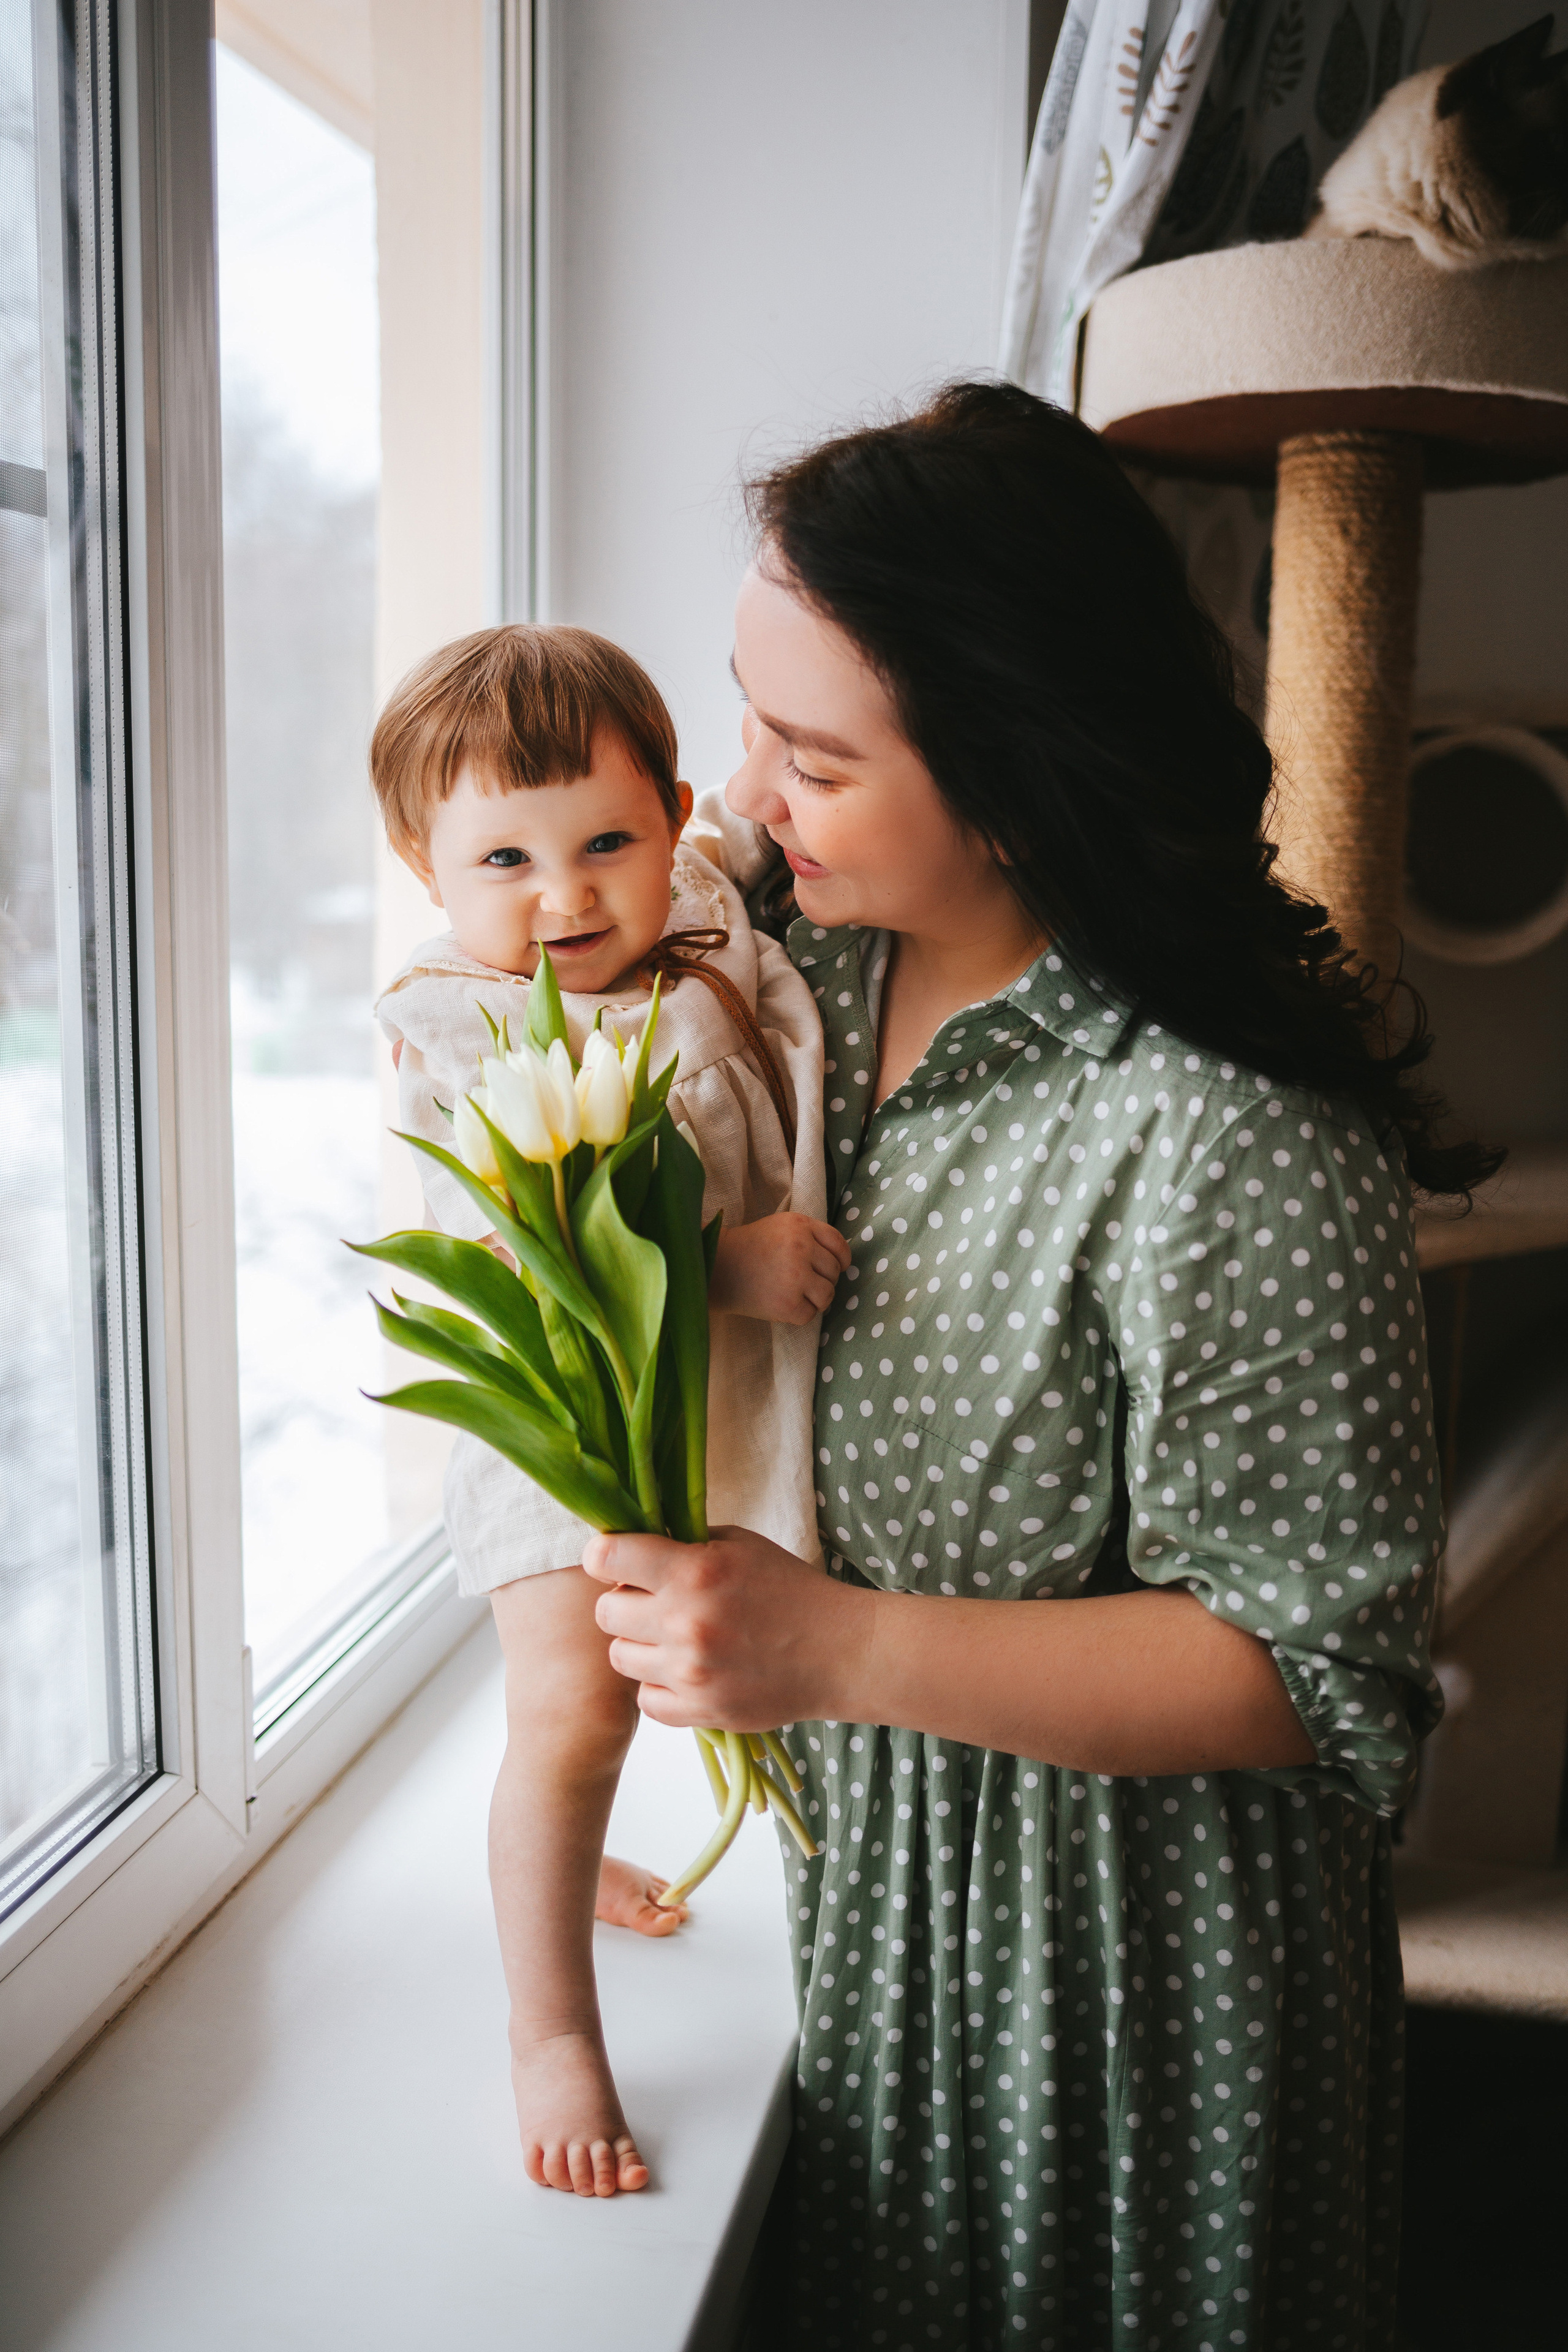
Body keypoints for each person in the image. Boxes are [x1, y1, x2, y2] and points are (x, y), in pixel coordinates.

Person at [582, 383, 1498, 2347]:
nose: (737, 799)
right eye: (744, 715)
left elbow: (1318, 1669)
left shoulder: (1225, 1127)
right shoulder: (782, 986)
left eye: (812, 759)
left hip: (1131, 1985)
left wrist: (829, 1650)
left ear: (1006, 778)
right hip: (878, 1910)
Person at [369, 625, 851, 2200]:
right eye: (501, 857)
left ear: (671, 817)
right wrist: (727, 1262)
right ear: (424, 868)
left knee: (711, 1676)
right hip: (564, 1419)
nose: (563, 895)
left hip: (720, 1410)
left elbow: (747, 816)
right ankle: (551, 2030)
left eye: (605, 842)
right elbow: (545, 1250)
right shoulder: (467, 1025)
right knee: (576, 1710)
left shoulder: (698, 906)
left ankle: (587, 1873)